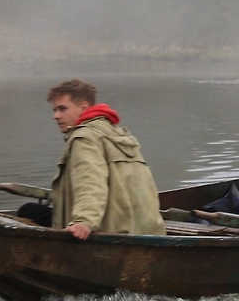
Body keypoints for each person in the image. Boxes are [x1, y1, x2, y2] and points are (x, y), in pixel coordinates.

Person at [17, 79, 166, 239]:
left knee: (26, 210)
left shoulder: (84, 138)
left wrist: (84, 221)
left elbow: (91, 181)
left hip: (112, 230)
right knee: (33, 210)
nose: (56, 116)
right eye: (55, 110)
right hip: (147, 229)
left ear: (84, 106)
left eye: (62, 109)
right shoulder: (117, 133)